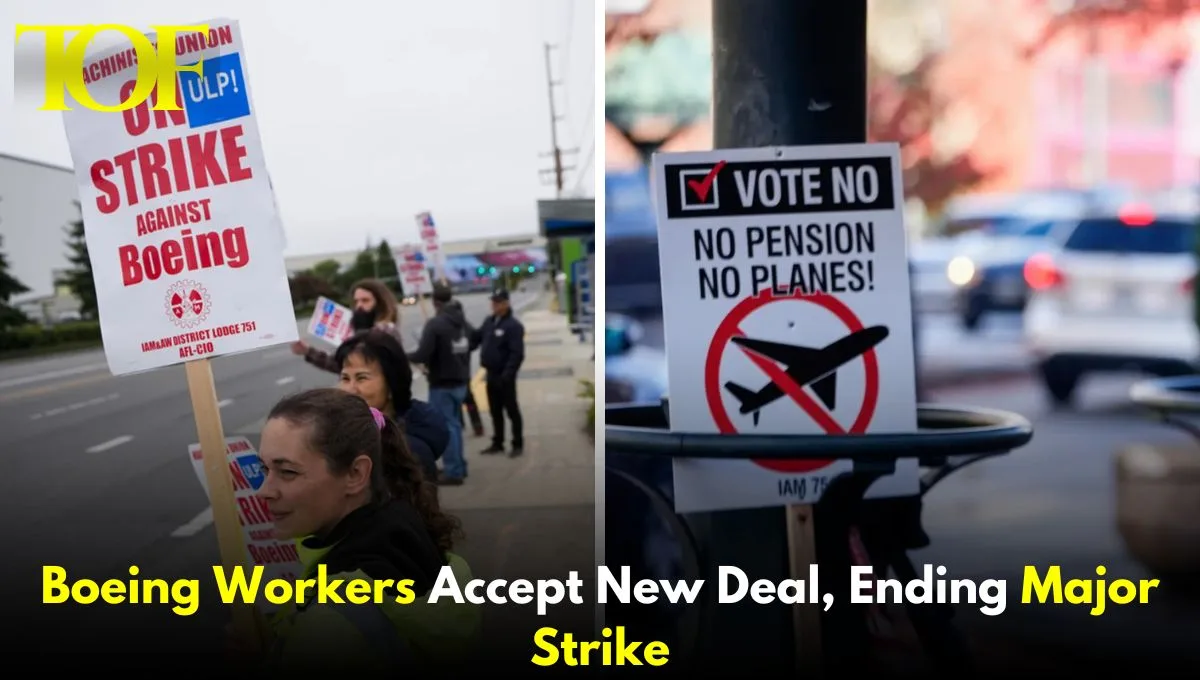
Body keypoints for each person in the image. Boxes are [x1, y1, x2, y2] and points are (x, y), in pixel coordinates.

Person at [251, 388, 480, 672]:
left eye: (287, 472)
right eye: (264, 469)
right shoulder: (408, 537)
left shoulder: (330, 625)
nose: (264, 491)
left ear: (356, 474)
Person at [334, 328, 449, 485]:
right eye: (345, 378)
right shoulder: (340, 432)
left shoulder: (411, 452)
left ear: (392, 384)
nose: (350, 389)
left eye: (362, 378)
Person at [407, 285, 472, 485]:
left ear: (435, 302)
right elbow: (473, 340)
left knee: (448, 428)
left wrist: (403, 355)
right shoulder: (462, 321)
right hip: (461, 382)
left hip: (442, 384)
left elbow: (422, 354)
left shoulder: (435, 324)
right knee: (455, 425)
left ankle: (453, 471)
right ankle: (459, 465)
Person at [292, 279, 403, 372]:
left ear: (380, 303)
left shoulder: (385, 331)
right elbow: (342, 365)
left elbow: (352, 365)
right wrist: (307, 351)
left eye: (365, 300)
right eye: (356, 301)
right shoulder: (364, 331)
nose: (359, 306)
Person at [471, 289, 525, 458]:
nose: (493, 305)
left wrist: (508, 374)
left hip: (505, 376)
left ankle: (517, 443)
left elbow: (517, 354)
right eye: (493, 301)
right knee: (495, 411)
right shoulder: (490, 321)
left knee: (511, 410)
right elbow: (476, 338)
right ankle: (498, 442)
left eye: (497, 302)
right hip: (491, 373)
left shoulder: (513, 326)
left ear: (506, 304)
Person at [445, 298, 486, 438]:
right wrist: (468, 349)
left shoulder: (447, 325)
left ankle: (462, 424)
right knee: (468, 399)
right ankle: (477, 425)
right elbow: (476, 338)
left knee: (458, 401)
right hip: (464, 369)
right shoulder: (465, 325)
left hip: (454, 370)